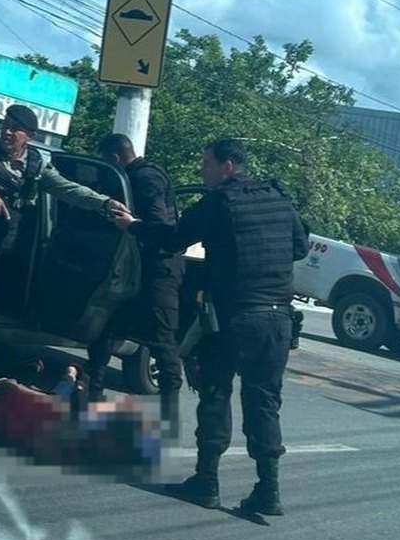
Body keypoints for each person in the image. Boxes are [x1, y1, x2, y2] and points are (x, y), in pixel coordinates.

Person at [111, 137, 309, 516]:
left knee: (215, 392)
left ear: (227, 167)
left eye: (207, 164)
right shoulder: (280, 200)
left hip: (234, 318)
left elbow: (172, 238)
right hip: (278, 322)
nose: (202, 171)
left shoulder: (220, 202)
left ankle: (206, 482)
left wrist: (133, 224)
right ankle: (268, 490)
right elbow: (300, 248)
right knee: (264, 402)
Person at [0, 105, 127, 406]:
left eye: (16, 128)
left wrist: (105, 203)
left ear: (29, 136)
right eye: (5, 125)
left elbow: (68, 189)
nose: (7, 132)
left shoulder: (34, 165)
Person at [89, 133, 185, 429]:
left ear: (116, 158)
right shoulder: (145, 174)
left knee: (163, 341)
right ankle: (91, 396)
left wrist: (132, 224)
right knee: (106, 331)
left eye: (107, 161)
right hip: (143, 270)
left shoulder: (144, 178)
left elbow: (162, 226)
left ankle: (170, 411)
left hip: (161, 270)